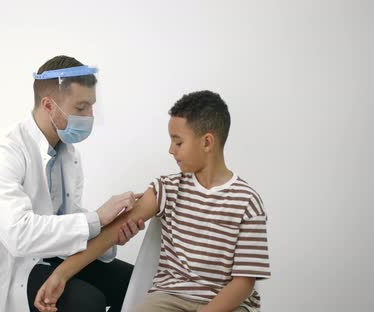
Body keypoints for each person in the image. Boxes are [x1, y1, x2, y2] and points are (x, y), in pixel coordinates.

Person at [34, 90, 271, 312]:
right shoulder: (167, 188)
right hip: (170, 297)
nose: (170, 150)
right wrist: (60, 274)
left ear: (207, 142)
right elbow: (109, 234)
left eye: (178, 142)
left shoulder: (247, 202)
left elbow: (244, 282)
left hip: (228, 304)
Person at [0, 55, 145, 312]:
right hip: (10, 270)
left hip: (52, 255)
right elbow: (19, 235)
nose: (90, 116)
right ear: (48, 105)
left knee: (135, 284)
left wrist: (110, 231)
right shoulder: (0, 150)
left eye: (91, 106)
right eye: (81, 108)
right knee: (88, 303)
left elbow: (64, 219)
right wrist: (97, 219)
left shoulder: (67, 152)